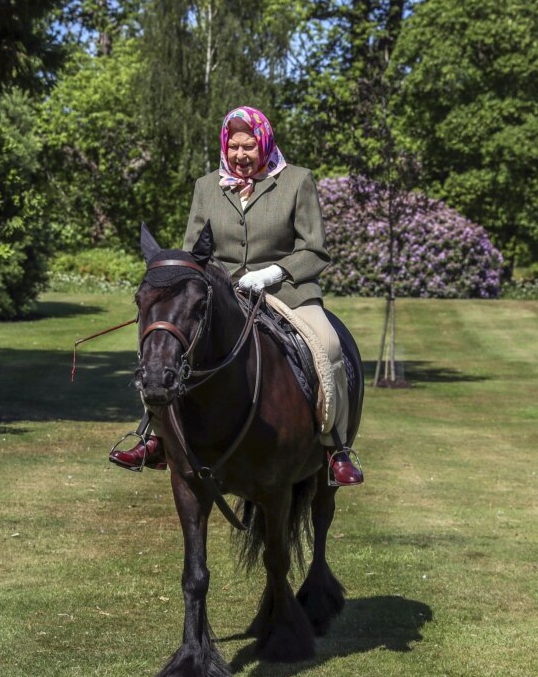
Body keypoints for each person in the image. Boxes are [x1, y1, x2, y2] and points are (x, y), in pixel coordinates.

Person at [110, 106, 363, 486]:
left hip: (287, 290)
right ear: (224, 147)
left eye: (249, 146)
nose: (241, 155)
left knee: (327, 345)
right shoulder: (206, 186)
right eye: (234, 147)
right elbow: (194, 252)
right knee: (166, 345)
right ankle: (155, 436)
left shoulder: (296, 181)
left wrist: (273, 273)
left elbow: (315, 250)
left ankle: (335, 446)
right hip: (222, 292)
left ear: (264, 143)